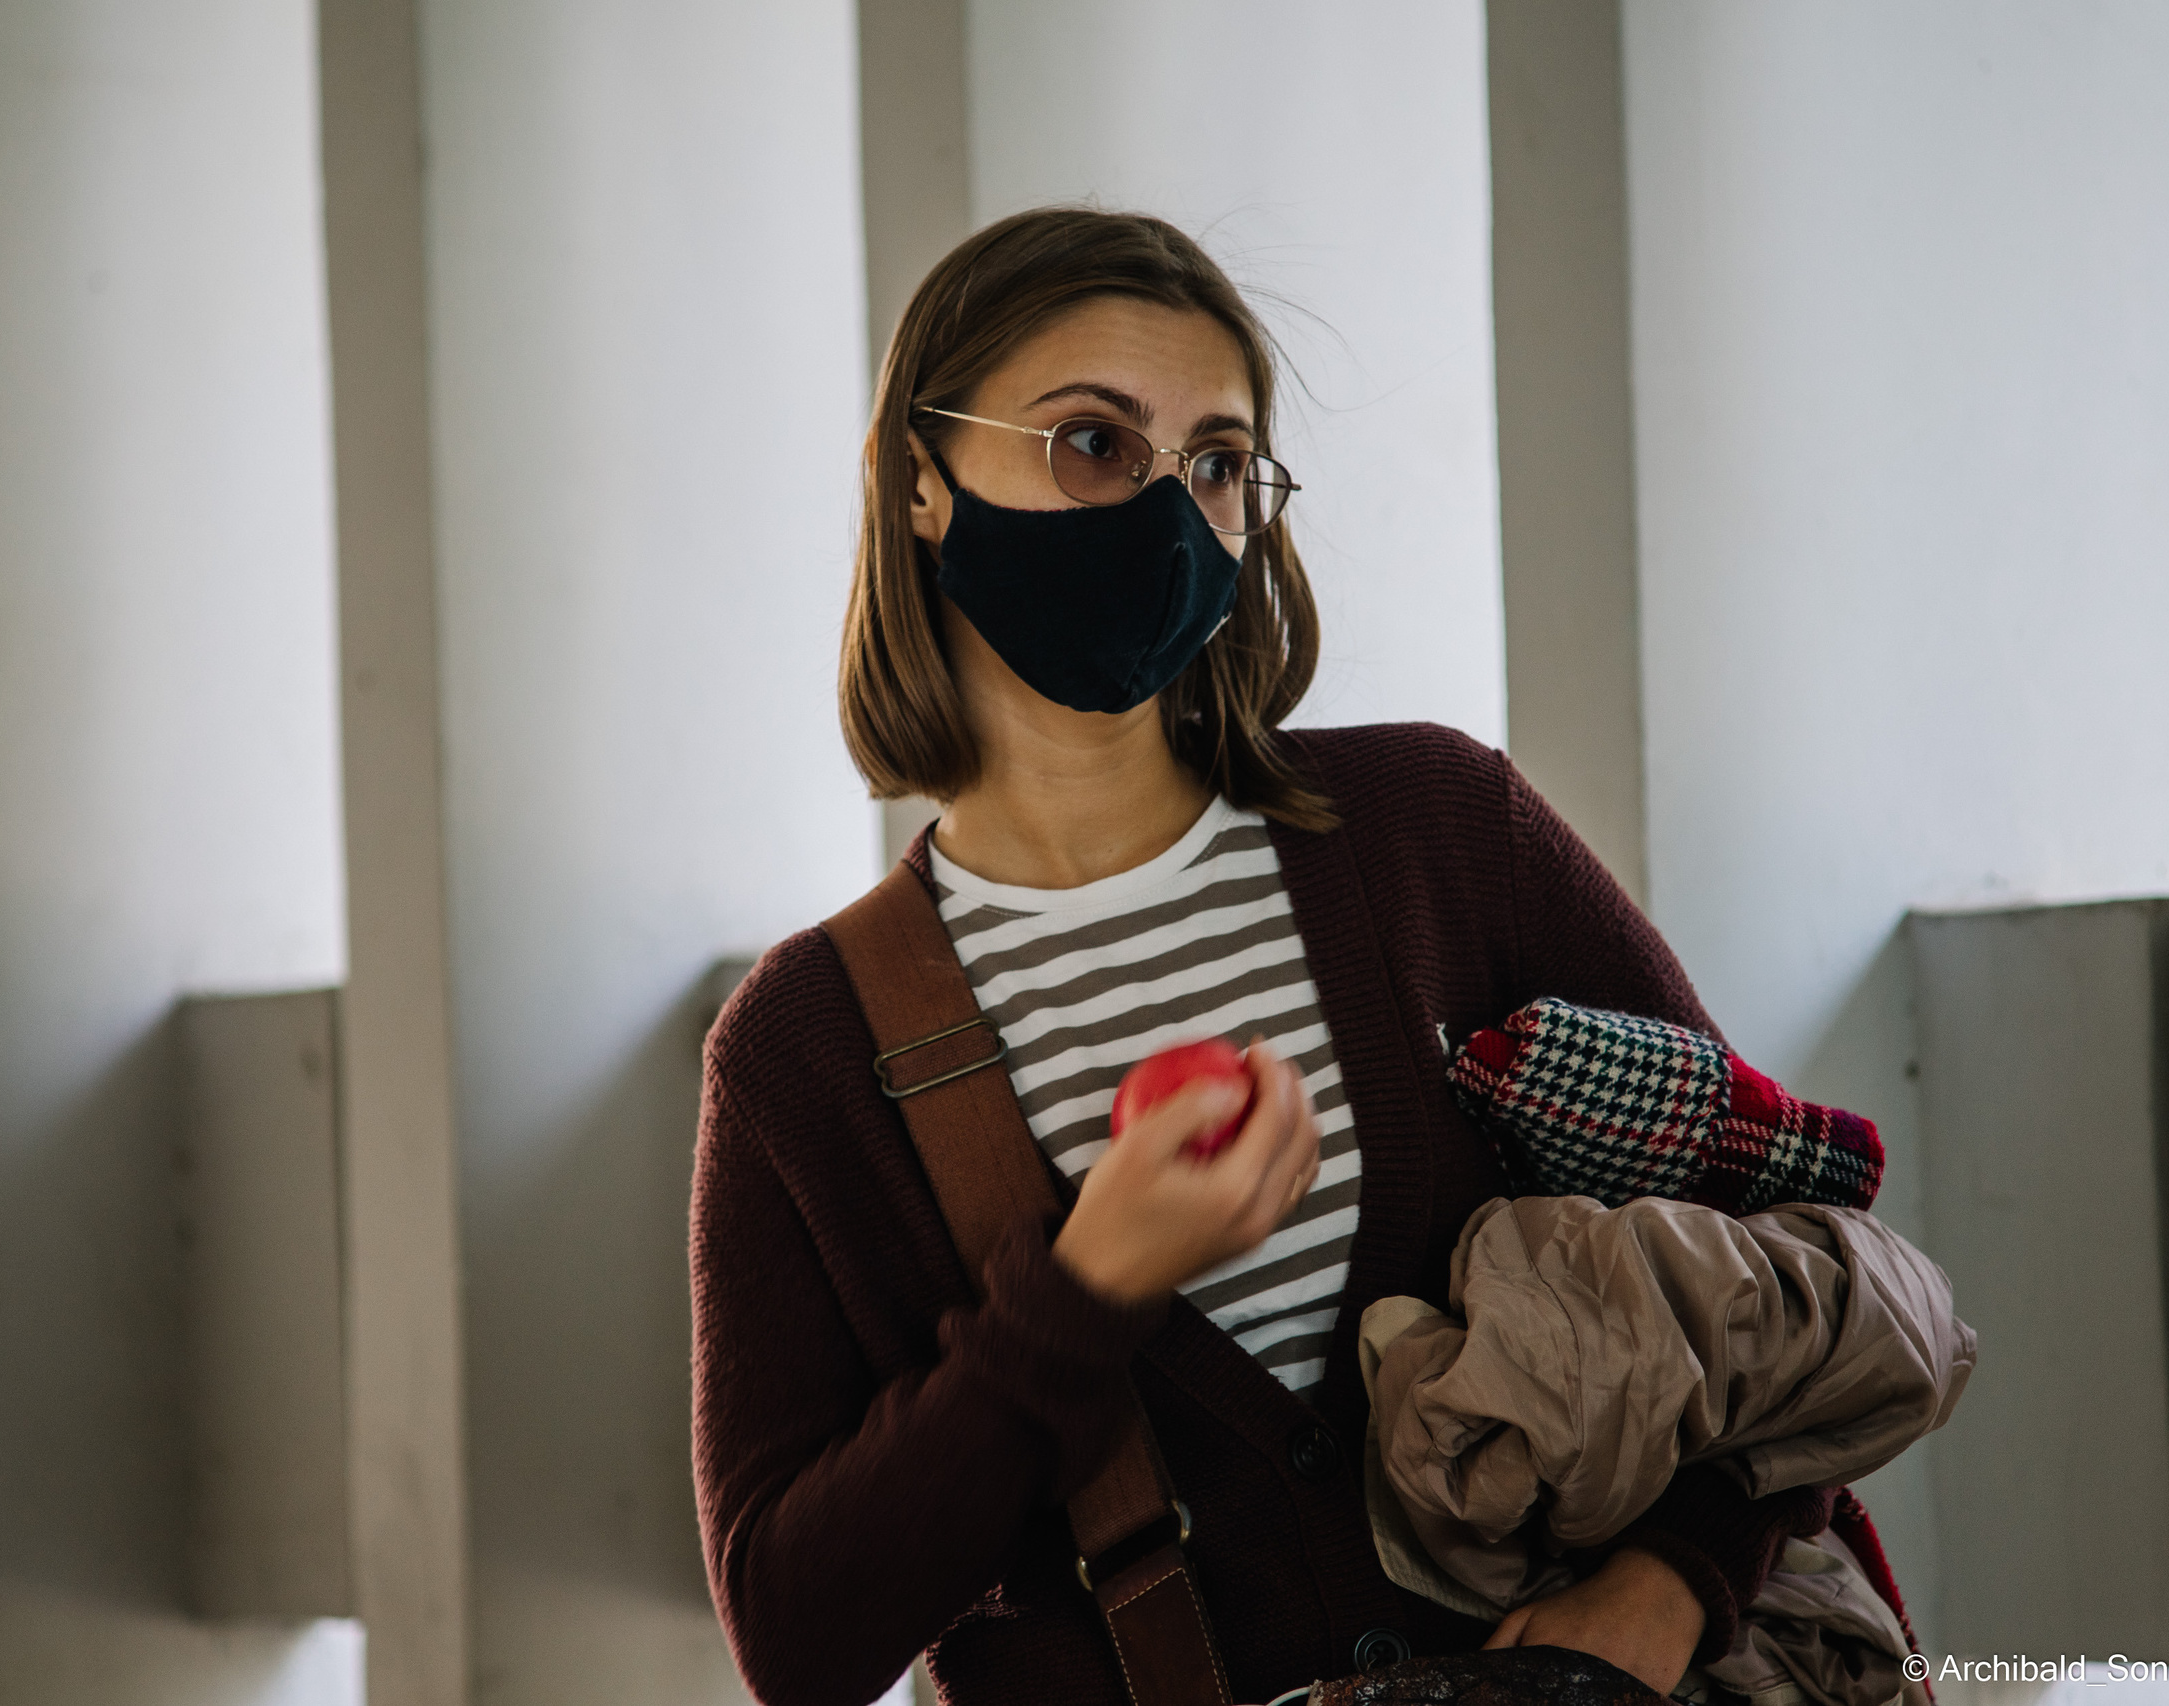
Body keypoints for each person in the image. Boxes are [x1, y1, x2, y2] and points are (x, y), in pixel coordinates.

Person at [689, 206, 1835, 1706]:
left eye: (1217, 463)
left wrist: (1675, 1582)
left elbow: (1793, 1246)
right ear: (918, 479)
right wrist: (1090, 1283)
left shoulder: (1438, 834)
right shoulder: (809, 1044)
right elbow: (794, 1628)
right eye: (1093, 442)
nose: (1169, 512)